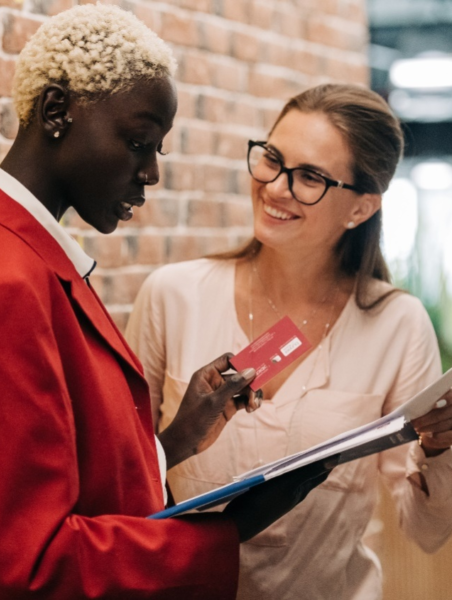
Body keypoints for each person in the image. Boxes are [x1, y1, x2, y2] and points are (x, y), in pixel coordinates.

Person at [0, 5, 331, 599]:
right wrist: (231, 530)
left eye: (157, 148)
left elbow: (74, 481)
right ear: (57, 112)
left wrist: (177, 439)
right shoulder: (6, 281)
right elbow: (27, 568)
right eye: (137, 143)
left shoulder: (25, 256)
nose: (151, 174)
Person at [126, 83, 452, 600]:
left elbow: (426, 530)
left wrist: (439, 443)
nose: (276, 187)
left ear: (360, 210)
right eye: (272, 159)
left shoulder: (396, 323)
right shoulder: (175, 296)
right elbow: (120, 478)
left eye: (309, 178)